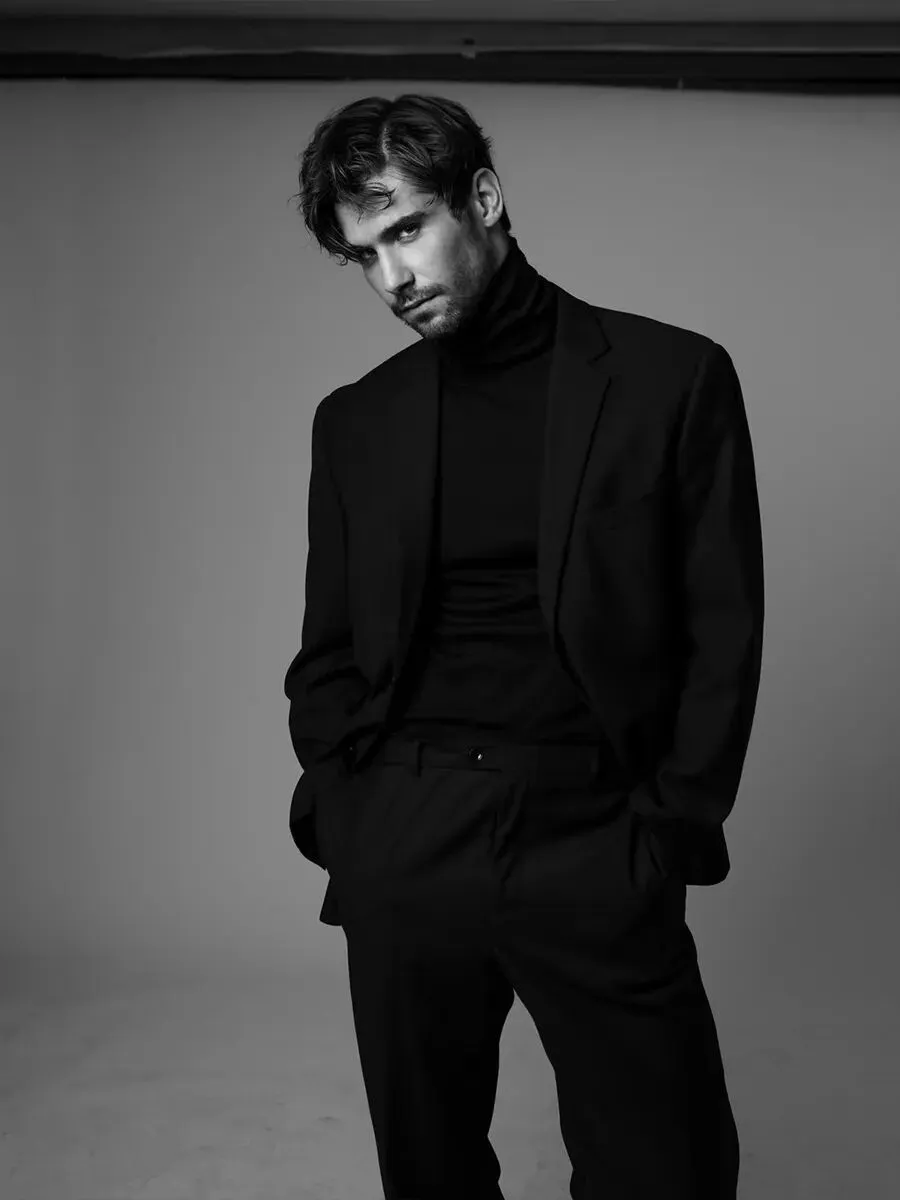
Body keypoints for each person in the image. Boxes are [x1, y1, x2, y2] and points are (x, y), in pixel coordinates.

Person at [283, 93, 764, 1200]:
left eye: (406, 229)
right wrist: (353, 817)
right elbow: (328, 651)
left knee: (670, 1169)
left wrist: (664, 830)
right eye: (364, 256)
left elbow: (723, 626)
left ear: (485, 199)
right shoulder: (357, 420)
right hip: (407, 833)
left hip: (594, 832)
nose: (392, 277)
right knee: (432, 1173)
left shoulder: (671, 378)